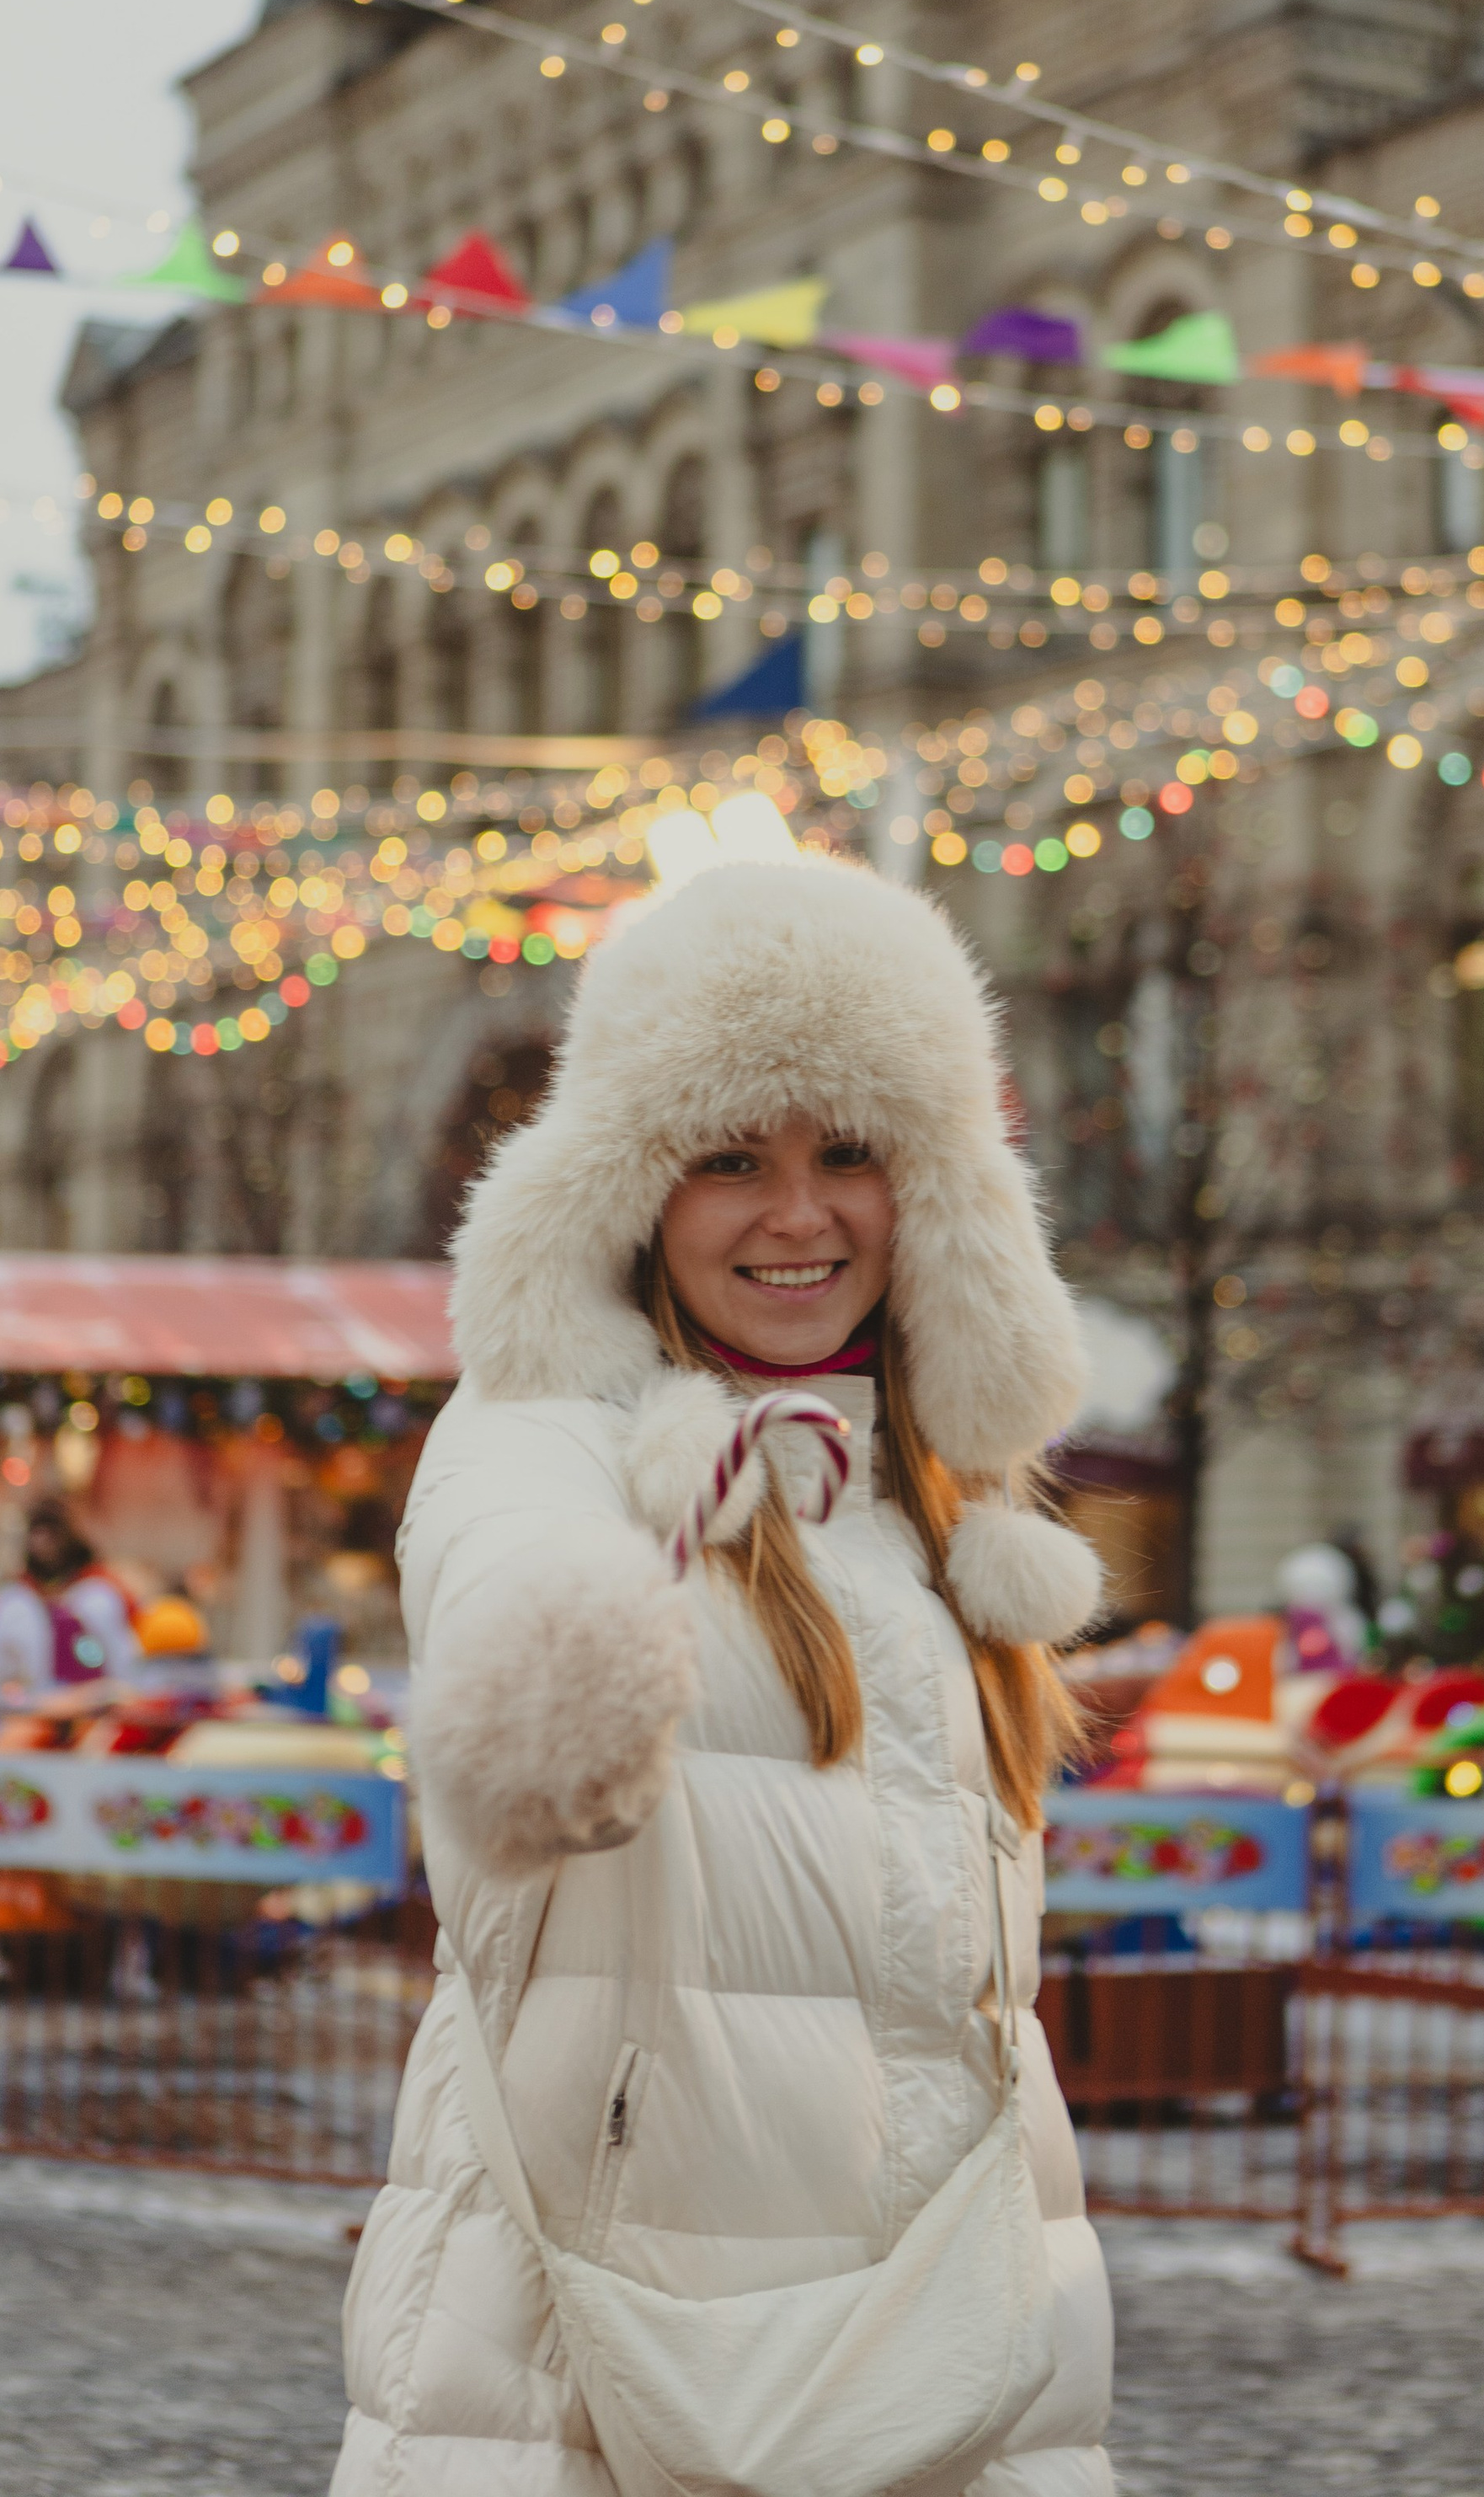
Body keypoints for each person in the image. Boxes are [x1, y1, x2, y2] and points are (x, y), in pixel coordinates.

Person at [336, 853, 1113, 2497]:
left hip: (948, 2340)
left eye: (849, 1153)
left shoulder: (938, 1505)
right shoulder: (543, 1434)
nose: (797, 1214)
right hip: (602, 2365)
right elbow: (510, 1661)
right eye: (725, 1158)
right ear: (627, 1183)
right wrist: (604, 1612)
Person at [0, 1501, 141, 1714]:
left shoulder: (100, 1597)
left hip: (94, 1716)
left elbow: (126, 1673)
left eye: (53, 1536)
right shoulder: (9, 1603)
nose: (44, 1545)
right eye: (38, 1535)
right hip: (24, 1719)